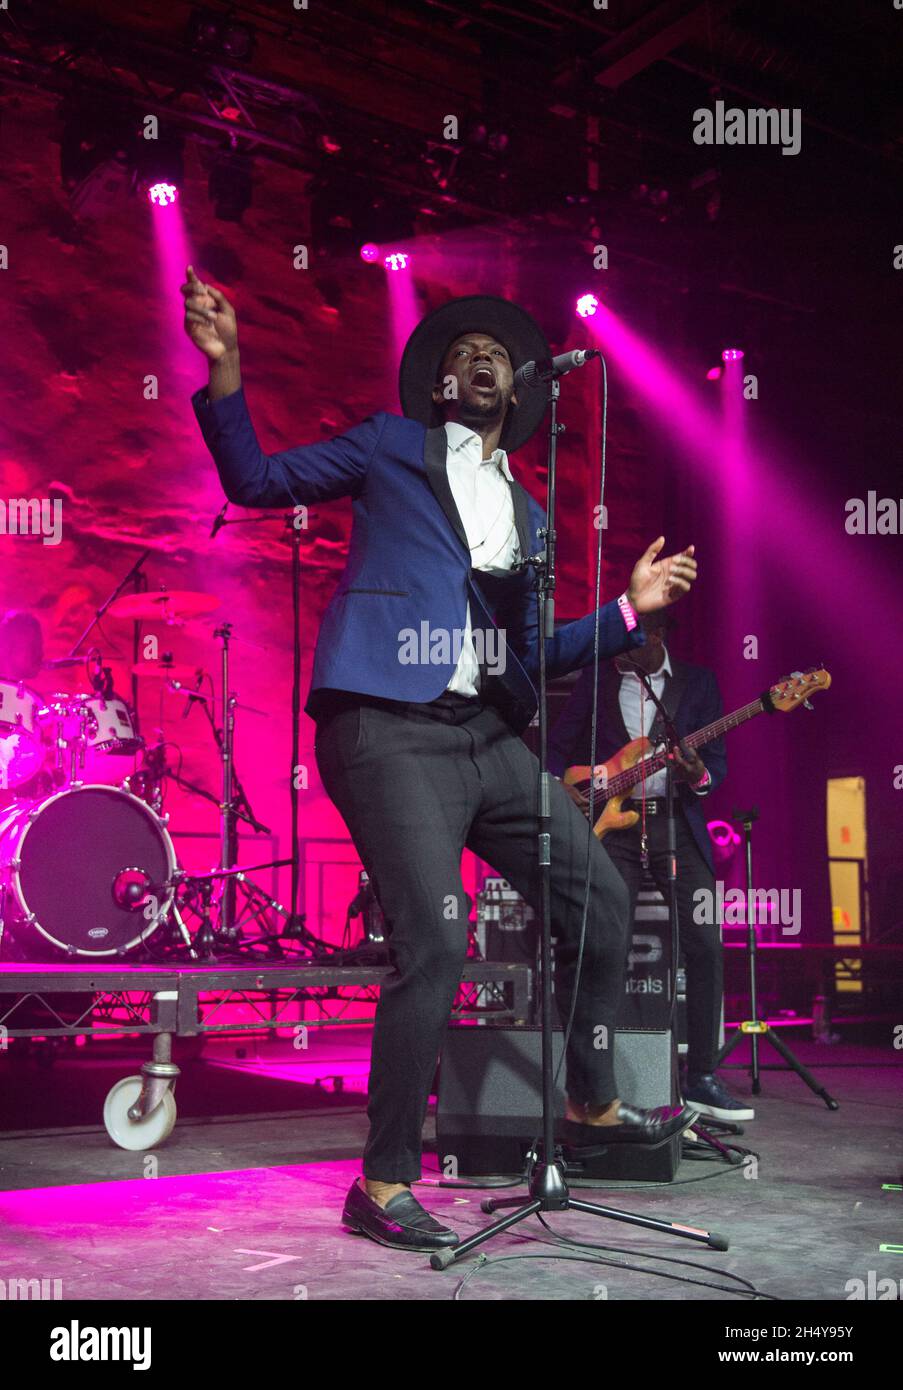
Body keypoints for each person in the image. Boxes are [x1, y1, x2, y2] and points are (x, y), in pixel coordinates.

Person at [183, 268, 700, 1252]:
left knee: (602, 892)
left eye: (496, 352)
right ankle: (383, 1180)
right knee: (439, 938)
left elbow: (533, 654)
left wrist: (630, 610)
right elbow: (254, 482)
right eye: (461, 352)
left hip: (485, 735)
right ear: (437, 386)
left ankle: (591, 1105)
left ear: (523, 388)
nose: (477, 358)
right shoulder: (389, 448)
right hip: (386, 721)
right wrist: (228, 371)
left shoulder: (533, 520)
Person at [549, 609, 753, 1121]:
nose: (620, 647)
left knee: (705, 943)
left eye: (632, 638)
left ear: (657, 635)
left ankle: (702, 1076)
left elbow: (718, 767)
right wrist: (571, 788)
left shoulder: (698, 684)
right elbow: (556, 749)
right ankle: (598, 1086)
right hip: (612, 823)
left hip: (676, 825)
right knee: (603, 943)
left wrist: (697, 771)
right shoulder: (596, 681)